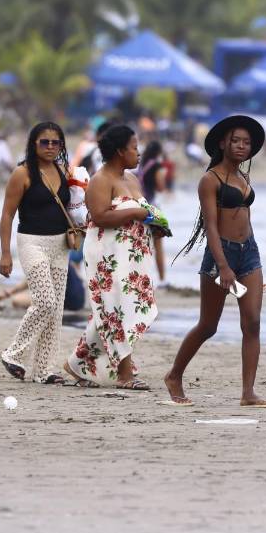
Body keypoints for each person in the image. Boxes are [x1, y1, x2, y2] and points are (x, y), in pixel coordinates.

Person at [165, 116, 266, 407]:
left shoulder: (243, 178)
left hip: (249, 253)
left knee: (252, 323)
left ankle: (248, 393)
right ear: (223, 143)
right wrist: (223, 267)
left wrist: (255, 269)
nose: (241, 146)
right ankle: (174, 375)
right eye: (236, 140)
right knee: (208, 325)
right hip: (219, 255)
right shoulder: (209, 180)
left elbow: (245, 219)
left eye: (246, 142)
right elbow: (211, 226)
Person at [64, 125, 162, 389]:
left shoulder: (132, 179)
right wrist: (137, 214)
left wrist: (155, 221)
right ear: (120, 151)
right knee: (116, 308)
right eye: (134, 148)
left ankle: (77, 363)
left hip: (131, 255)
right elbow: (99, 216)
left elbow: (143, 211)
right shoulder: (100, 180)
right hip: (106, 254)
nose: (138, 153)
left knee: (110, 309)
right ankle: (125, 374)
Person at [0, 122, 74, 385]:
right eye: (45, 142)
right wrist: (5, 254)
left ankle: (44, 370)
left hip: (60, 245)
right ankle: (13, 353)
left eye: (56, 142)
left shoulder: (64, 171)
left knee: (56, 312)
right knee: (45, 301)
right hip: (32, 242)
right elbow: (7, 214)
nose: (51, 147)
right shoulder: (22, 173)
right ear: (34, 144)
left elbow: (74, 206)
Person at [137, 140, 169, 284]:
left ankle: (140, 277)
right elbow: (161, 187)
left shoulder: (141, 165)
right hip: (153, 208)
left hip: (139, 206)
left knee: (140, 244)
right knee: (158, 246)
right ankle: (162, 280)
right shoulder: (157, 166)